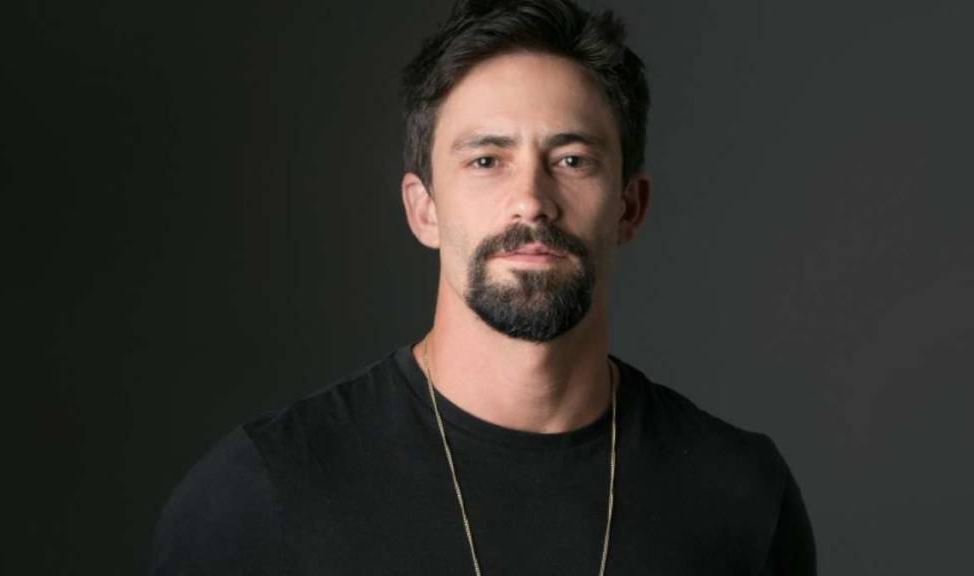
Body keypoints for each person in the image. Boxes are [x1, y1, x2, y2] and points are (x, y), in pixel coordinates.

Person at [150, 1, 816, 574]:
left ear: (629, 208)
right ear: (424, 210)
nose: (531, 199)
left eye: (572, 159)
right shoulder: (261, 493)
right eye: (487, 160)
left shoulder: (741, 495)